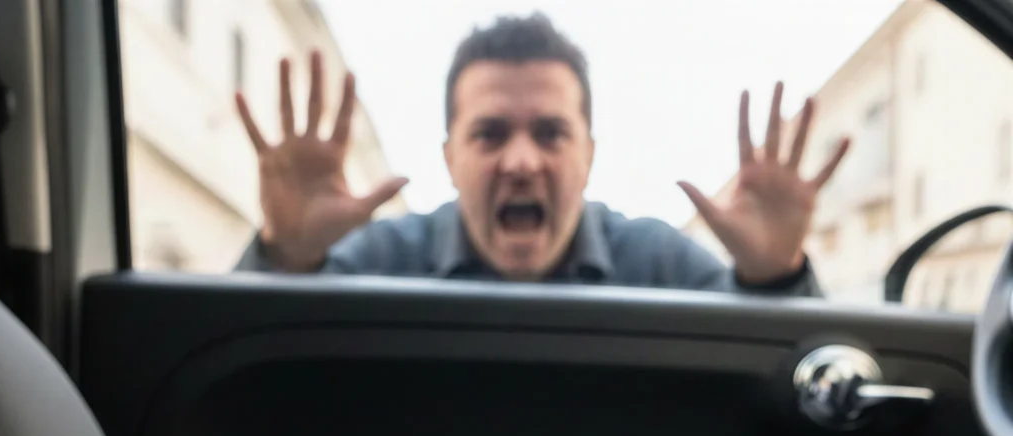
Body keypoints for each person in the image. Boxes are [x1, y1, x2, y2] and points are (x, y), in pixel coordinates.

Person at [234, 13, 850, 295]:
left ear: (589, 156)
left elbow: (781, 387)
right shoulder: (380, 262)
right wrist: (286, 256)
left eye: (551, 134)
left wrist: (777, 279)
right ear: (450, 159)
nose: (522, 161)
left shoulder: (662, 266)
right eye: (491, 134)